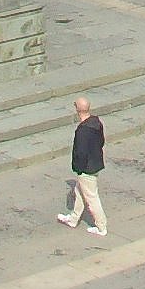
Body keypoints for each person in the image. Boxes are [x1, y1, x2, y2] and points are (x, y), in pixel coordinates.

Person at [56, 97, 108, 235]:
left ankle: (101, 226)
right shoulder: (96, 123)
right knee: (80, 192)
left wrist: (78, 168)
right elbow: (101, 141)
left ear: (77, 109)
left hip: (86, 169)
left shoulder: (83, 130)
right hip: (95, 164)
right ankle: (73, 219)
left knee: (91, 197)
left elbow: (81, 152)